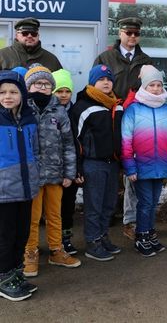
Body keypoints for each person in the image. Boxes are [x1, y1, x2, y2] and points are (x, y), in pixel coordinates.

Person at [94, 17, 153, 241]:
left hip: (136, 121)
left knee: (132, 172)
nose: (132, 37)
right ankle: (104, 219)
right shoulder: (105, 57)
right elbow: (97, 87)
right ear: (119, 33)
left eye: (135, 33)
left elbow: (152, 90)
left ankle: (131, 221)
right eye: (128, 33)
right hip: (109, 120)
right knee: (108, 170)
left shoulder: (146, 60)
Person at [23, 65, 80, 278]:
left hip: (56, 175)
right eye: (38, 83)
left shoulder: (59, 111)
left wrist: (69, 173)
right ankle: (30, 252)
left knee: (55, 215)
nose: (43, 87)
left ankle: (56, 250)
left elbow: (68, 145)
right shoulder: (24, 109)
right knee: (33, 217)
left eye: (47, 84)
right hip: (33, 177)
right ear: (29, 86)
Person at [121, 66, 167, 257]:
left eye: (158, 85)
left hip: (161, 165)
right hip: (140, 166)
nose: (156, 89)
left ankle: (149, 233)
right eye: (152, 85)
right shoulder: (133, 110)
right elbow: (126, 141)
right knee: (145, 202)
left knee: (153, 202)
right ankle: (141, 236)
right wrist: (130, 166)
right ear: (144, 87)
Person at [70, 65, 123, 261]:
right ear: (93, 82)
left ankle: (102, 237)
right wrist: (77, 167)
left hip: (113, 163)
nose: (106, 82)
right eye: (101, 79)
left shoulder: (117, 105)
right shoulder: (83, 107)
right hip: (93, 164)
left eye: (109, 79)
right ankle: (92, 241)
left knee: (109, 204)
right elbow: (75, 140)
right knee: (94, 205)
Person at [0, 70, 40, 301]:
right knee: (5, 236)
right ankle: (3, 275)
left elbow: (35, 151)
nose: (8, 96)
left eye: (13, 91)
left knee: (21, 234)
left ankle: (15, 272)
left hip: (25, 189)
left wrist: (35, 174)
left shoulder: (29, 119)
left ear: (22, 95)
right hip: (3, 191)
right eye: (3, 92)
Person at [52, 69, 78, 255]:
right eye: (59, 91)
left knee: (68, 205)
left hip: (70, 168)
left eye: (67, 91)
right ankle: (52, 241)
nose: (63, 95)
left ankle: (65, 239)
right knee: (51, 209)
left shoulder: (75, 112)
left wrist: (77, 170)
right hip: (51, 169)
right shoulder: (48, 111)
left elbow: (78, 144)